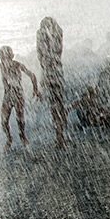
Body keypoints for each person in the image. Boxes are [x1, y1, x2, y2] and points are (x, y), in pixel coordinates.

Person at [0, 46, 40, 149]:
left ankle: (22, 136)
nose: (5, 60)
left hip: (18, 95)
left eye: (7, 57)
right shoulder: (0, 66)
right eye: (2, 57)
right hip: (7, 96)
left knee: (20, 119)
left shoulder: (17, 65)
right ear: (0, 58)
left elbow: (32, 75)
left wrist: (35, 90)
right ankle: (9, 138)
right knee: (3, 121)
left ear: (12, 56)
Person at [36, 16, 67, 148]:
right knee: (59, 104)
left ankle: (59, 137)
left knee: (54, 106)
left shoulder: (41, 35)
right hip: (58, 72)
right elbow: (59, 52)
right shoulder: (58, 34)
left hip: (49, 73)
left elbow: (40, 55)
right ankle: (61, 136)